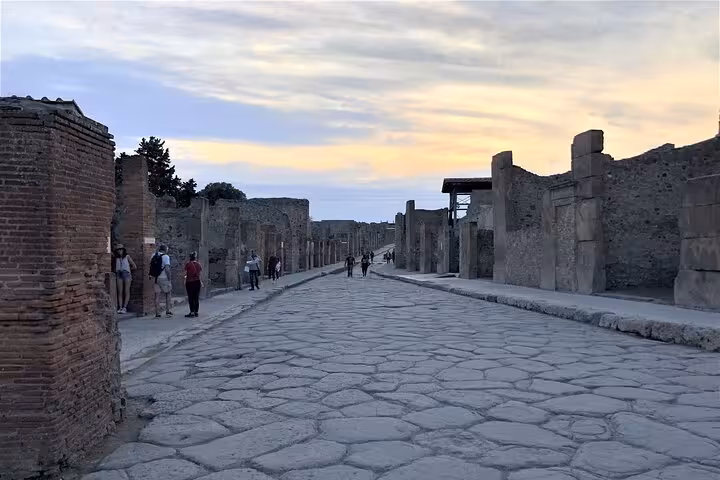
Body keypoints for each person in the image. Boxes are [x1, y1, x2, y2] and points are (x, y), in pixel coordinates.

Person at [150, 244, 173, 318]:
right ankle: (168, 311)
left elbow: (151, 266)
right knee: (168, 293)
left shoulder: (153, 255)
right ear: (165, 250)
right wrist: (169, 279)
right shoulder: (166, 257)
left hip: (156, 278)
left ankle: (157, 313)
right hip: (164, 278)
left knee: (157, 295)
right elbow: (167, 269)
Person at [114, 243, 137, 314]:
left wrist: (128, 270)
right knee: (120, 291)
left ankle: (124, 307)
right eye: (118, 250)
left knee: (126, 291)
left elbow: (134, 266)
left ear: (123, 250)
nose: (119, 251)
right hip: (119, 274)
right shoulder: (116, 258)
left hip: (126, 274)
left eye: (120, 249)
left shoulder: (127, 257)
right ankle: (120, 307)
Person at [184, 251, 203, 318]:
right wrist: (201, 282)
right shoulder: (198, 264)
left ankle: (192, 312)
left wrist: (184, 280)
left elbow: (185, 274)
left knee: (191, 297)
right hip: (197, 282)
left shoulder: (188, 264)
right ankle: (196, 312)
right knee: (196, 297)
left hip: (189, 282)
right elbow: (200, 274)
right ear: (195, 257)